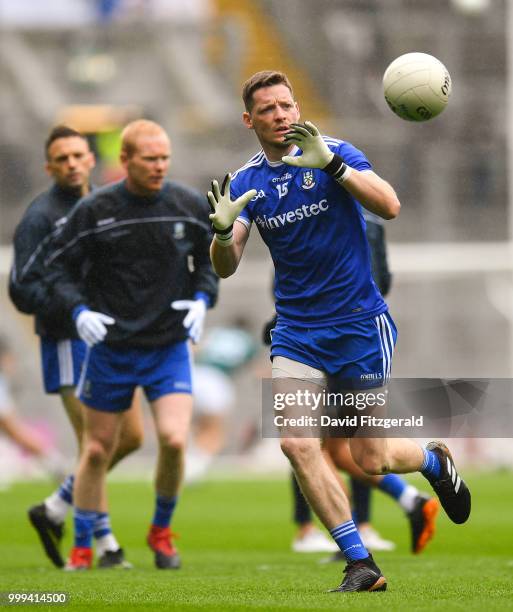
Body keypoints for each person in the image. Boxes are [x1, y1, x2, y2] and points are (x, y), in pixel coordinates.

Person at [208, 70, 471, 592]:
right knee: (297, 443)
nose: (280, 116)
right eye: (268, 110)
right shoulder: (245, 181)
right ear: (249, 120)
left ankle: (430, 459)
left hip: (357, 325)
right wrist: (218, 232)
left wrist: (332, 164)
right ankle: (360, 562)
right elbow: (224, 265)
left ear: (297, 106)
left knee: (369, 456)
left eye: (286, 105)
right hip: (296, 332)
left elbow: (389, 205)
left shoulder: (335, 151)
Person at [45, 119, 218, 570]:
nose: (160, 166)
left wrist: (204, 298)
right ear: (125, 160)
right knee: (98, 449)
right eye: (150, 158)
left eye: (165, 157)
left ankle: (161, 532)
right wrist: (78, 311)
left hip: (168, 346)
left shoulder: (185, 204)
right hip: (112, 350)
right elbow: (57, 270)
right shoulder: (95, 210)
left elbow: (210, 262)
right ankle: (82, 546)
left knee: (175, 440)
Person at [9, 125, 143, 569]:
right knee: (96, 444)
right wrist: (75, 312)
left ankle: (55, 507)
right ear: (49, 167)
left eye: (77, 156)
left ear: (92, 159)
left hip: (111, 339)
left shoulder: (106, 205)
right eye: (61, 158)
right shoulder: (40, 217)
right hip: (68, 340)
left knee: (131, 438)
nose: (70, 164)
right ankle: (99, 545)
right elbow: (21, 287)